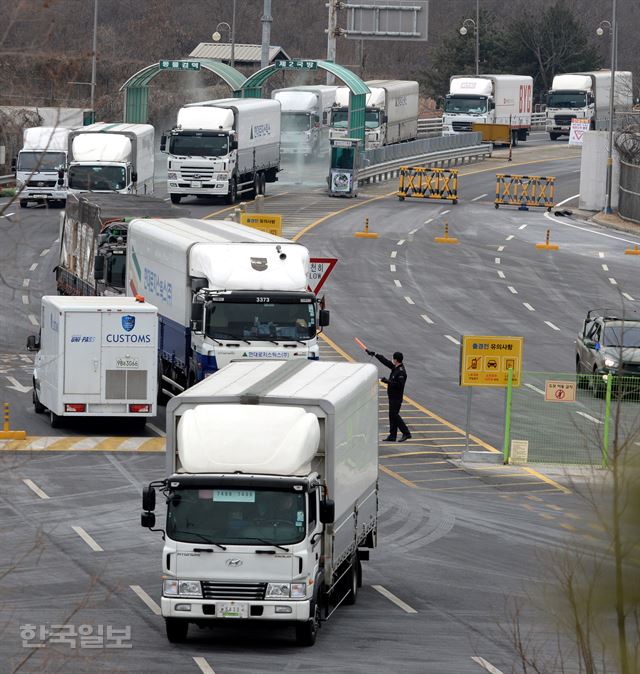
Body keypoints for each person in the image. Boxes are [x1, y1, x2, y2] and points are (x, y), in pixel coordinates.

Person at [366, 349, 411, 442]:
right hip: (392, 396)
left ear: (396, 360)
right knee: (392, 415)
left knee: (394, 415)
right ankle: (392, 435)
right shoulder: (395, 367)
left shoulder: (401, 372)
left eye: (393, 359)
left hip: (396, 397)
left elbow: (399, 385)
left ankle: (406, 433)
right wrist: (375, 354)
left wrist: (387, 382)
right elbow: (385, 362)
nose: (391, 360)